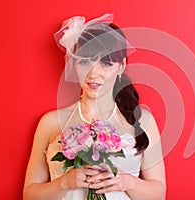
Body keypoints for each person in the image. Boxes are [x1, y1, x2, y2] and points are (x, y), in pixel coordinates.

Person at [23, 13, 166, 200]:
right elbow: (29, 195)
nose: (93, 74)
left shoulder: (142, 120)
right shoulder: (50, 123)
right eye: (84, 62)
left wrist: (126, 182)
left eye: (105, 63)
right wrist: (65, 182)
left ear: (121, 66)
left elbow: (159, 194)